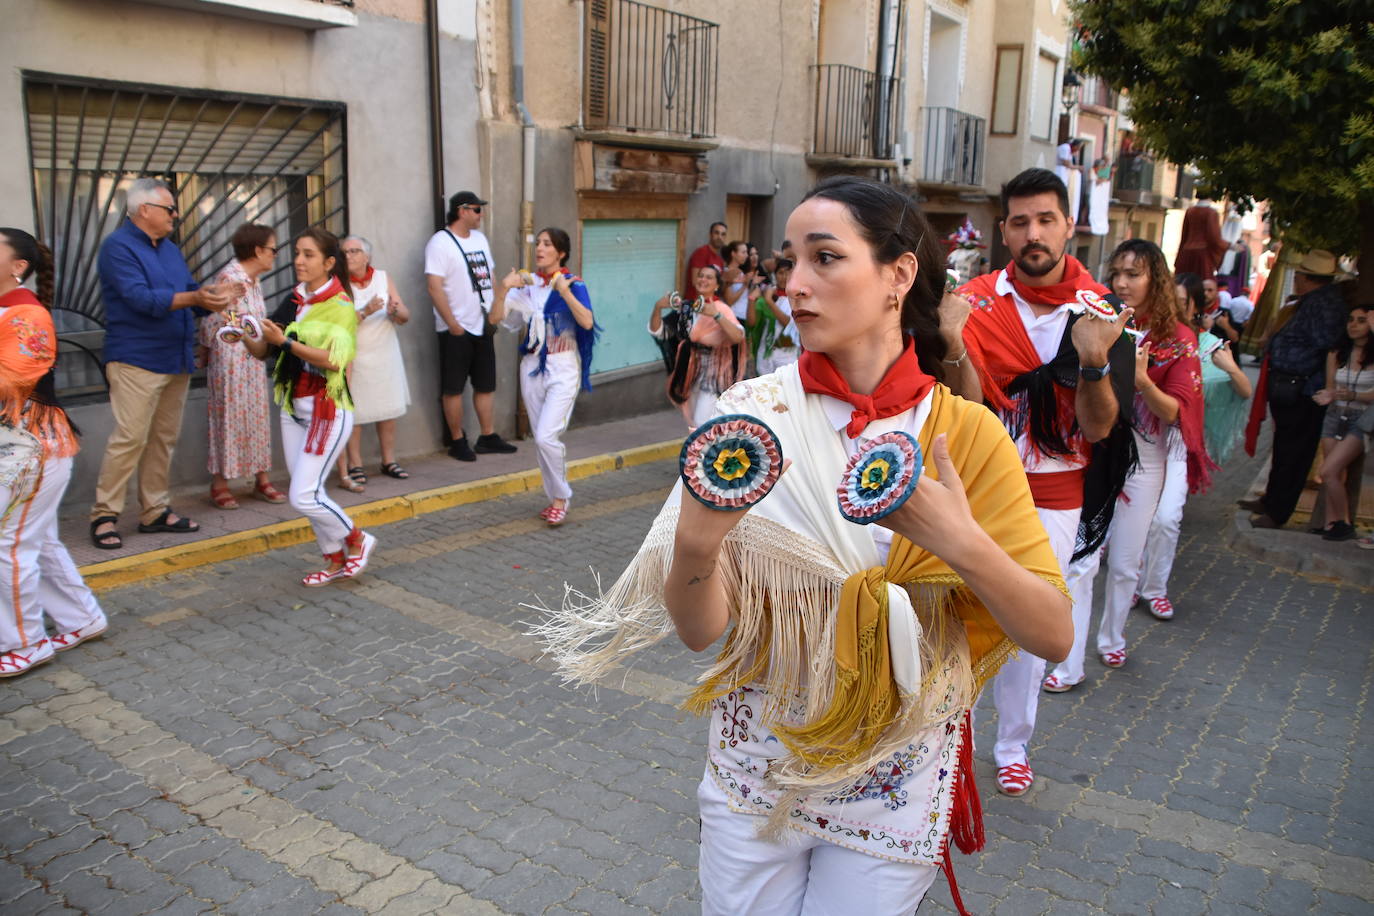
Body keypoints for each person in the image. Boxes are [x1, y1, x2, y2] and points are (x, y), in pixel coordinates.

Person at [538, 176, 1071, 915]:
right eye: (790, 262)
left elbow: (1050, 631)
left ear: (899, 275)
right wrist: (695, 546)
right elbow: (702, 635)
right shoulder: (751, 418)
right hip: (759, 767)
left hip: (893, 774)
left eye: (825, 258)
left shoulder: (967, 437)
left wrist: (958, 541)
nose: (796, 285)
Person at [953, 167, 1134, 797]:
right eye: (1021, 221)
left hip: (1057, 492)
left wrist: (1092, 360)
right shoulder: (972, 305)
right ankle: (947, 743)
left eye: (1046, 220)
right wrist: (951, 342)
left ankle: (1011, 746)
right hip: (979, 487)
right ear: (1004, 231)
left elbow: (1101, 426)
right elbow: (963, 409)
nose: (1034, 233)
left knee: (1031, 627)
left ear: (1069, 229)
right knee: (958, 617)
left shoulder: (1102, 312)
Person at [1046, 239, 1210, 689]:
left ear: (1155, 278)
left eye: (1133, 273)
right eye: (1116, 271)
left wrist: (1140, 379)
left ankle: (1113, 634)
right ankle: (1068, 662)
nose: (1121, 282)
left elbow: (1176, 411)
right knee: (1081, 561)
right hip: (1095, 451)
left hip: (1146, 458)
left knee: (1123, 563)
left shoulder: (1179, 339)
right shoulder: (1098, 319)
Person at [89, 177, 236, 550]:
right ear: (144, 211)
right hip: (136, 358)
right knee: (130, 438)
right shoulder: (117, 248)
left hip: (174, 357)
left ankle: (154, 511)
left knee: (162, 440)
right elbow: (142, 299)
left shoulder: (169, 248)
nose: (176, 215)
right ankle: (104, 515)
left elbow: (188, 293)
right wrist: (195, 296)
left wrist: (215, 297)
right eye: (170, 208)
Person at [237, 228, 377, 586]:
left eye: (308, 255)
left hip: (327, 410)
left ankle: (357, 538)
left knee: (303, 495)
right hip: (292, 408)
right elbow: (266, 351)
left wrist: (284, 341)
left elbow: (334, 360)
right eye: (297, 253)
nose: (298, 261)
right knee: (311, 493)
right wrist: (246, 334)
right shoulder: (296, 298)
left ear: (329, 263)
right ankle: (333, 560)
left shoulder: (342, 306)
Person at [0, 229, 106, 678]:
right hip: (23, 448)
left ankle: (25, 642)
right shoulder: (10, 310)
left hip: (31, 450)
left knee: (8, 545)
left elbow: (11, 381)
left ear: (17, 266)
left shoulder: (27, 314)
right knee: (35, 540)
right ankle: (82, 619)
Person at [1135, 274, 1252, 619]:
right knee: (1135, 516)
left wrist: (1229, 367)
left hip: (1177, 440)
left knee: (1167, 517)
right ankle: (1130, 581)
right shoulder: (1144, 337)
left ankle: (1154, 589)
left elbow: (1245, 390)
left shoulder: (1209, 345)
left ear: (1195, 308)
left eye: (1181, 301)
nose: (1171, 306)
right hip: (1139, 437)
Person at [492, 228, 597, 527]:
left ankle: (561, 497)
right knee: (541, 440)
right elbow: (494, 318)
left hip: (563, 367)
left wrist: (563, 290)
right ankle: (555, 499)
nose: (540, 248)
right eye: (538, 243)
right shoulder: (527, 287)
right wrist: (503, 288)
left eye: (547, 244)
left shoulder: (574, 285)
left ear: (560, 252)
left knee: (545, 436)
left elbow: (587, 321)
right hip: (531, 367)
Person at [1242, 250, 1349, 529]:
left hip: (1302, 388)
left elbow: (1325, 345)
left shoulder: (1325, 305)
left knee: (1294, 453)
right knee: (1283, 448)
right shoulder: (1309, 302)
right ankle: (1271, 500)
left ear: (1308, 278)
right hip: (1291, 384)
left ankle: (1278, 511)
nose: (1296, 279)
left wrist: (1300, 370)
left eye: (1300, 275)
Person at [424, 191, 516, 462]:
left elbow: (490, 274)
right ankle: (456, 440)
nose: (481, 215)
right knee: (453, 387)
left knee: (485, 384)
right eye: (477, 210)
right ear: (462, 211)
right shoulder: (440, 243)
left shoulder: (480, 239)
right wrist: (452, 323)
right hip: (456, 327)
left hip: (482, 322)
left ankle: (487, 436)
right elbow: (434, 286)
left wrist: (496, 309)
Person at [199, 223, 286, 510]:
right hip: (231, 360)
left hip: (252, 359)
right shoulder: (231, 277)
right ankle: (220, 483)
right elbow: (212, 316)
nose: (276, 254)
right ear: (257, 250)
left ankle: (261, 478)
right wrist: (205, 351)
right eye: (273, 249)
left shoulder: (253, 280)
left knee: (256, 417)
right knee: (229, 417)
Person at [337, 235, 411, 489]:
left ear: (366, 256)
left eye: (354, 251)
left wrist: (394, 311)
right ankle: (355, 464)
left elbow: (404, 315)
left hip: (384, 351)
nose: (349, 256)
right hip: (355, 355)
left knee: (387, 409)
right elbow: (337, 325)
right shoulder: (338, 284)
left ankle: (388, 459)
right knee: (355, 413)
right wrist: (365, 312)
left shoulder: (382, 277)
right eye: (344, 252)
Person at [651, 264, 746, 429]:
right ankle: (700, 453)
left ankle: (702, 453)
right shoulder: (687, 308)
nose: (703, 279)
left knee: (702, 422)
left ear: (717, 285)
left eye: (709, 277)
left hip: (715, 374)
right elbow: (660, 332)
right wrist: (658, 308)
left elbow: (738, 336)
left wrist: (716, 315)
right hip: (690, 371)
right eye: (701, 275)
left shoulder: (722, 308)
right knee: (692, 420)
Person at [1311, 305, 1373, 541]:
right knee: (1334, 472)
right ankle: (1330, 523)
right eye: (1350, 319)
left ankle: (1344, 523)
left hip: (1361, 418)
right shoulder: (1337, 352)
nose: (1353, 324)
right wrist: (1328, 395)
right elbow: (1331, 387)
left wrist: (1354, 396)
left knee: (1328, 471)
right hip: (1335, 414)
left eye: (1361, 321)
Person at [748, 257, 800, 374]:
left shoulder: (798, 298)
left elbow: (788, 324)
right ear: (775, 275)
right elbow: (752, 323)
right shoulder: (767, 295)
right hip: (765, 354)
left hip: (787, 356)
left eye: (788, 273)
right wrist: (751, 299)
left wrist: (769, 301)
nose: (784, 277)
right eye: (781, 273)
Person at [1174, 198, 1228, 279]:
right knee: (1202, 284)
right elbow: (1214, 238)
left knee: (1182, 281)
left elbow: (1184, 236)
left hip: (1186, 253)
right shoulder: (1211, 213)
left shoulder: (1190, 211)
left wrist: (1179, 257)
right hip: (1202, 256)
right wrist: (1228, 245)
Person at [683, 221, 727, 294]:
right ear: (710, 235)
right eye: (716, 233)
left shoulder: (720, 260)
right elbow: (695, 282)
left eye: (723, 234)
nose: (720, 237)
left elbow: (719, 284)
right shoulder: (701, 253)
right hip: (695, 302)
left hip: (710, 301)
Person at [719, 240, 752, 322]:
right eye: (743, 252)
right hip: (734, 316)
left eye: (747, 252)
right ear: (733, 253)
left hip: (744, 316)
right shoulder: (727, 273)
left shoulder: (741, 272)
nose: (746, 255)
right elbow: (729, 301)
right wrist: (745, 285)